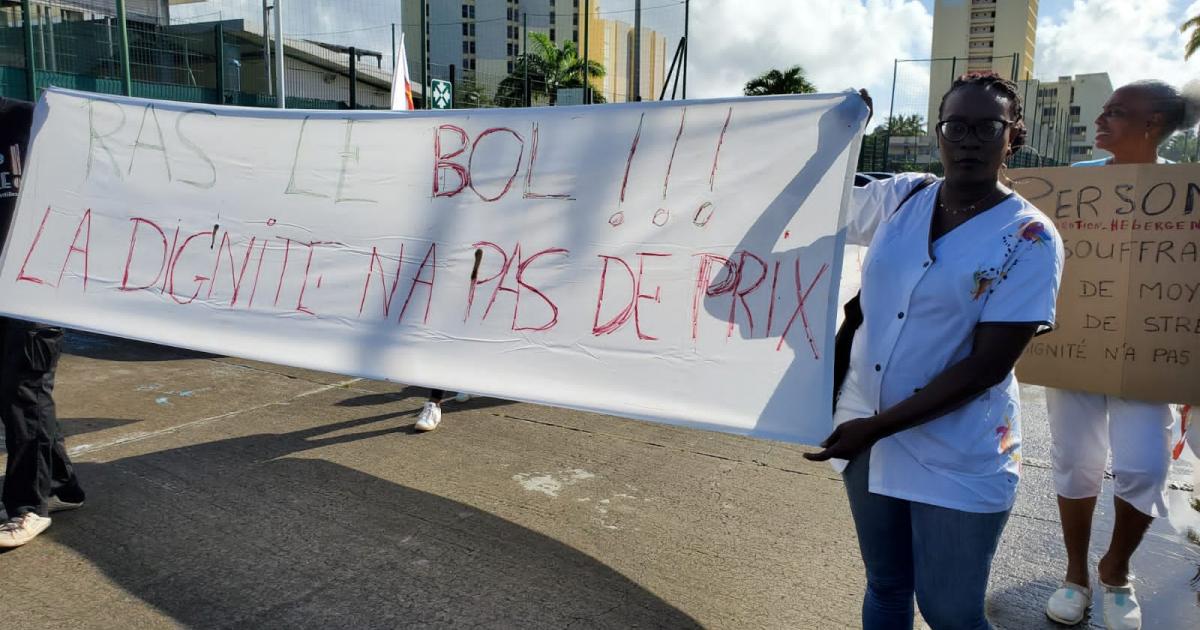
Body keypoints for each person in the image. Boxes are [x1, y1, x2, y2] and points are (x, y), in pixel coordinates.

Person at [804, 72, 1064, 629]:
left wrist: (874, 428)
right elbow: (818, 211)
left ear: (1012, 135)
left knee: (950, 611)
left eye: (987, 126)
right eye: (956, 126)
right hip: (864, 423)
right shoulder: (904, 197)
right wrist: (840, 137)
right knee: (887, 585)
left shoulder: (1030, 238)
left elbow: (985, 368)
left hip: (957, 450)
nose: (969, 139)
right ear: (938, 132)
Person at [1042, 79, 1200, 630]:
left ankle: (1115, 570)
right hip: (1075, 348)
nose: (1101, 119)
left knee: (1144, 467)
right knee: (1075, 461)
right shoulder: (1066, 186)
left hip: (1150, 355)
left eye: (1117, 112)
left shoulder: (1187, 189)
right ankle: (1074, 575)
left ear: (1153, 123)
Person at [0, 97, 86, 549]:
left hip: (38, 285)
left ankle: (27, 507)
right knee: (15, 393)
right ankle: (62, 485)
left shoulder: (33, 120)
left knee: (23, 392)